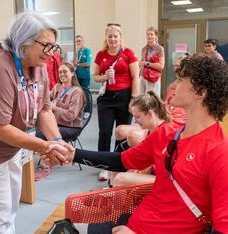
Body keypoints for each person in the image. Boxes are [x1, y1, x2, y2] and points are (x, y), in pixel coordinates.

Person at [48, 54, 228, 234]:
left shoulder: (219, 153)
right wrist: (74, 154)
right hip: (133, 222)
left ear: (200, 93)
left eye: (181, 80)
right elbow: (121, 161)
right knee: (61, 230)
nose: (173, 86)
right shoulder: (168, 134)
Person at [0, 11, 73, 234]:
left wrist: (56, 140)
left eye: (54, 47)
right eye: (46, 46)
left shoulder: (39, 66)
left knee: (10, 211)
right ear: (24, 40)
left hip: (13, 149)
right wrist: (44, 147)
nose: (51, 53)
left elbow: (45, 109)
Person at [93, 23, 139, 181]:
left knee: (122, 132)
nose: (113, 39)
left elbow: (135, 78)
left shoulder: (128, 53)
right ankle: (103, 166)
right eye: (110, 36)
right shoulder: (101, 54)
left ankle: (118, 163)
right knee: (105, 132)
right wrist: (104, 77)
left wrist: (133, 99)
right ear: (106, 38)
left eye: (115, 36)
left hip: (125, 97)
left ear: (120, 38)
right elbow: (95, 76)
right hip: (106, 97)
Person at [113, 91, 172, 187]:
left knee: (121, 179)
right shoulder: (153, 130)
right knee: (124, 169)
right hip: (157, 173)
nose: (135, 121)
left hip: (167, 179)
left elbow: (149, 165)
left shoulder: (163, 132)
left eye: (137, 117)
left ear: (150, 113)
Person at [36, 62, 86, 141]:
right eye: (60, 72)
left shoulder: (77, 91)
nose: (62, 74)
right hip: (56, 123)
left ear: (72, 73)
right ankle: (45, 152)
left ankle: (49, 152)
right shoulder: (58, 86)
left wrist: (54, 108)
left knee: (41, 134)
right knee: (36, 129)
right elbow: (46, 99)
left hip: (71, 127)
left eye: (65, 71)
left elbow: (71, 116)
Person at [139, 26, 164, 96]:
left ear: (156, 36)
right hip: (142, 76)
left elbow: (161, 66)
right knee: (141, 99)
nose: (149, 36)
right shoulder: (144, 49)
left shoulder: (159, 49)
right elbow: (142, 61)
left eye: (151, 34)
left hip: (152, 77)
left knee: (151, 99)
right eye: (148, 34)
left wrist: (147, 63)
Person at [73, 35, 92, 118]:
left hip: (85, 76)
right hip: (77, 76)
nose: (78, 43)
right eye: (76, 41)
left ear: (83, 41)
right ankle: (80, 110)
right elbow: (74, 63)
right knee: (78, 93)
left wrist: (78, 64)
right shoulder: (77, 52)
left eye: (79, 41)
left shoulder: (87, 51)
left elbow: (88, 63)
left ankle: (87, 110)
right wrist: (77, 52)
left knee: (85, 93)